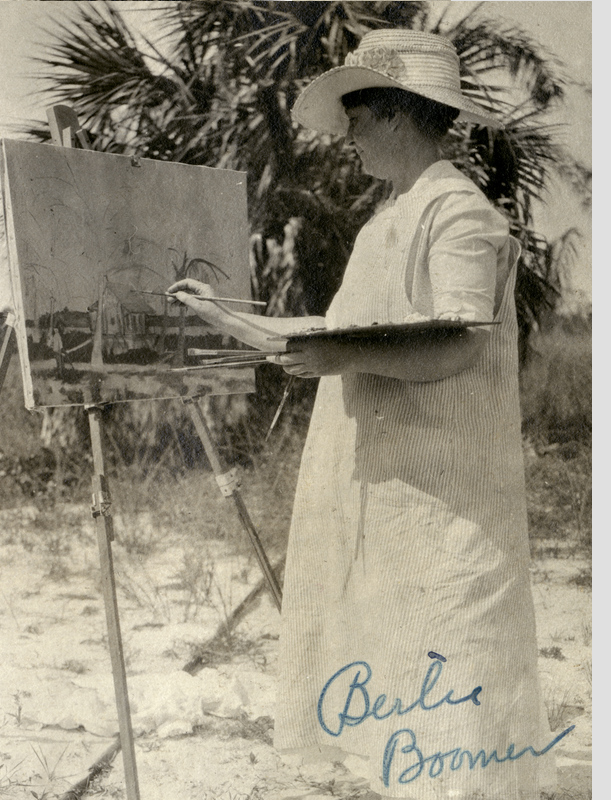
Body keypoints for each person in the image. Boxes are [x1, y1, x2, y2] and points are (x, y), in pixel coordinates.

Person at [168, 29, 563, 800]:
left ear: (392, 113)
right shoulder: (391, 218)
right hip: (387, 486)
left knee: (455, 671)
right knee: (398, 671)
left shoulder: (458, 214)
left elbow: (455, 344)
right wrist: (222, 316)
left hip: (448, 489)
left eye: (354, 115)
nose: (346, 136)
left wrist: (341, 358)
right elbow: (331, 334)